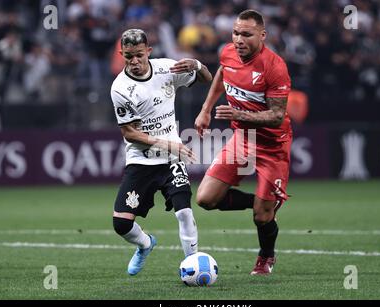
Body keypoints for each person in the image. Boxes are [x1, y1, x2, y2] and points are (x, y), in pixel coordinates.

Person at [194, 10, 292, 275]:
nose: (238, 39)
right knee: (204, 199)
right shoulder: (227, 53)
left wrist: (238, 114)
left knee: (261, 218)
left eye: (246, 34)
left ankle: (266, 256)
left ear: (262, 35)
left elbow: (277, 116)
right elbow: (222, 74)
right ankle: (263, 201)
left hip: (273, 146)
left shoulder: (274, 67)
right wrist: (205, 109)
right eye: (236, 33)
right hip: (243, 139)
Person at [110, 29, 212, 276]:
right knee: (122, 224)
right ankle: (145, 244)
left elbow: (206, 78)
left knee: (184, 211)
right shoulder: (120, 88)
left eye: (139, 55)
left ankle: (192, 266)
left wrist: (197, 65)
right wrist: (169, 145)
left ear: (149, 52)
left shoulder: (167, 68)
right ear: (122, 54)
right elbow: (130, 133)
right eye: (128, 57)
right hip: (141, 161)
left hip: (171, 160)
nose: (134, 62)